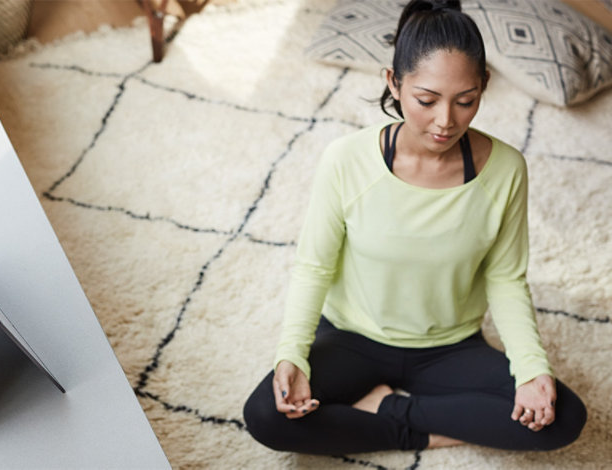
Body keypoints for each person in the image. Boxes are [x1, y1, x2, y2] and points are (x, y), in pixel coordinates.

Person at [242, 0, 587, 455]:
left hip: (449, 346)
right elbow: (313, 267)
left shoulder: (506, 169)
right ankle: (422, 427)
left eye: (466, 101)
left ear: (484, 86)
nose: (446, 121)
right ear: (394, 82)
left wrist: (531, 369)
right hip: (352, 337)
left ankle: (389, 411)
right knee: (266, 415)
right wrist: (292, 355)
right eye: (427, 100)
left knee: (561, 417)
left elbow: (505, 277)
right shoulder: (346, 159)